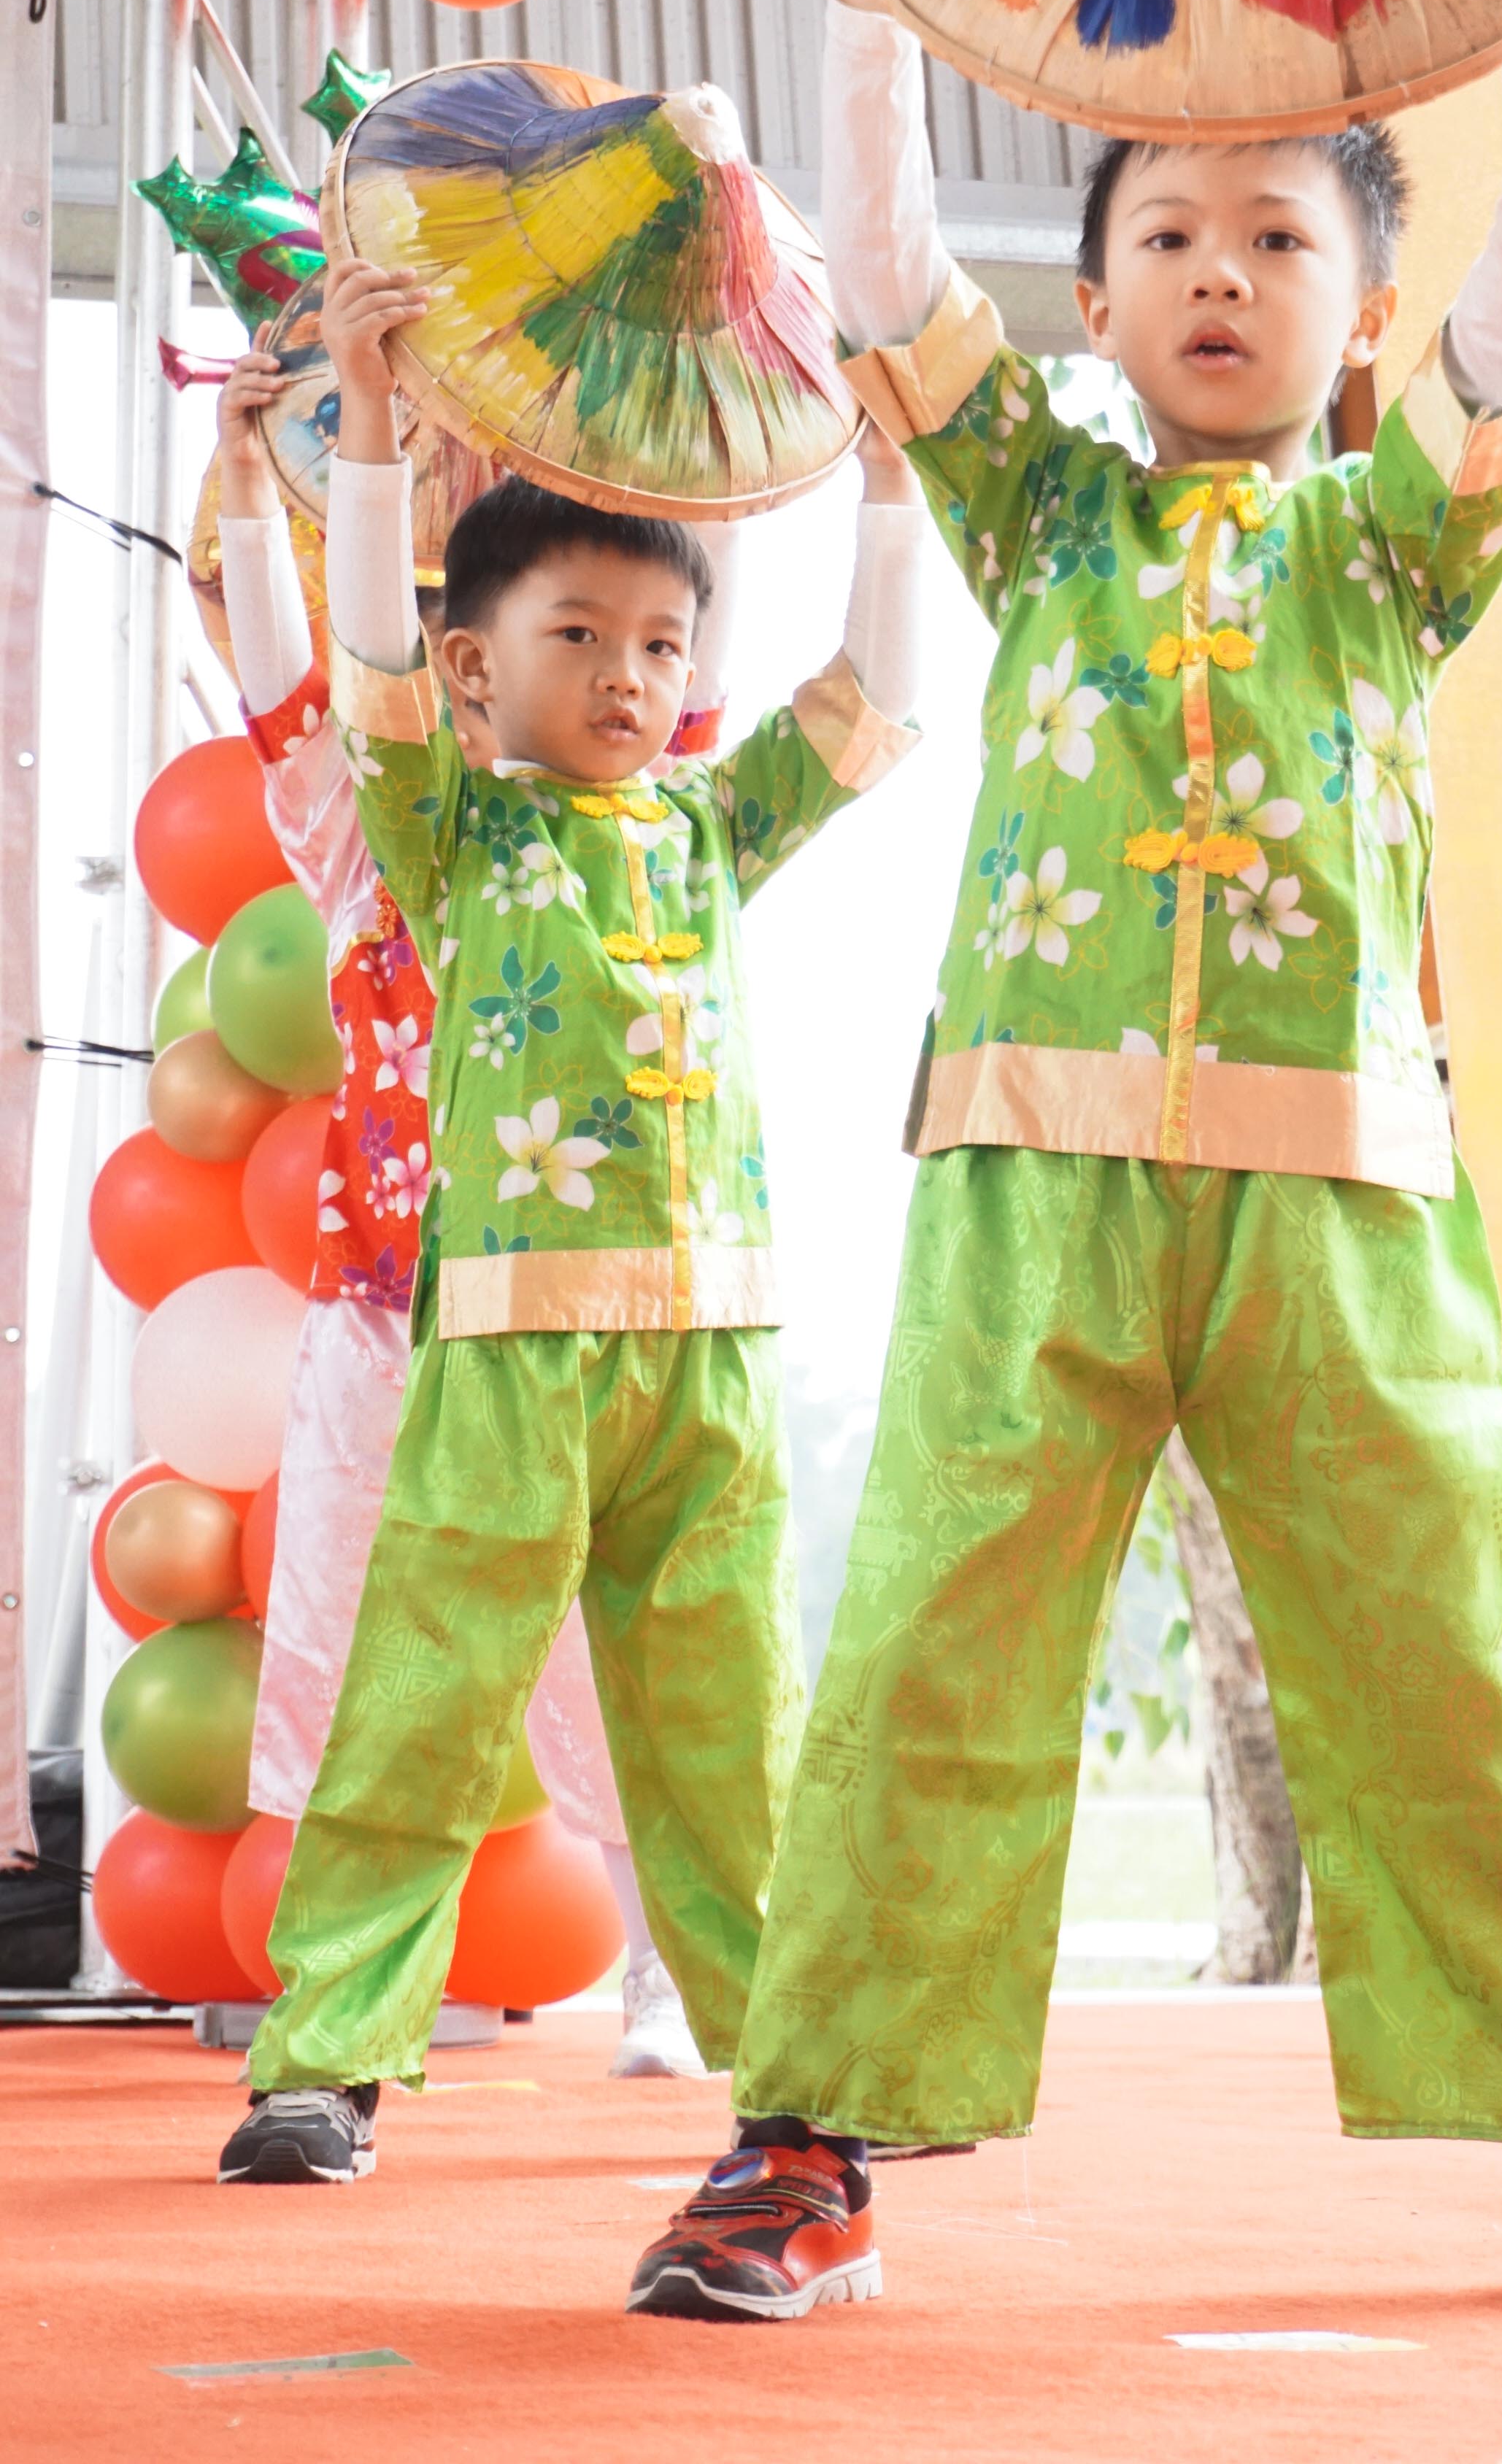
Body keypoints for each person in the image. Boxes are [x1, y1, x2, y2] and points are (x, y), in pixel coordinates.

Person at [625, 0, 1502, 2322]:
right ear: (1100, 307)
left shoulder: (1401, 537)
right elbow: (884, 273)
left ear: (1361, 316)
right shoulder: (1038, 515)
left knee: (1443, 1651)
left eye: (1279, 234)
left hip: (1340, 1190)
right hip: (1024, 1182)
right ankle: (804, 2146)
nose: (1221, 268)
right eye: (1165, 233)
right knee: (932, 1636)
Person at [216, 228, 926, 2185]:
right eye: (580, 636)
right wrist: (369, 426)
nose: (629, 675)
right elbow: (362, 669)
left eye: (662, 647)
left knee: (732, 1720)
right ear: (475, 666)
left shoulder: (713, 824)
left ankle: (799, 2055)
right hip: (505, 1345)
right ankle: (327, 2059)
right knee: (423, 1699)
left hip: (709, 1352)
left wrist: (887, 479)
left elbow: (875, 696)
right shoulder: (445, 829)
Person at [211, 348, 729, 2084]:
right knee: (338, 1644)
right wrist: (256, 484)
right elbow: (295, 681)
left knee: (606, 1654)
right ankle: (333, 2001)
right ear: (458, 666)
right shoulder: (366, 839)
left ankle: (669, 1969)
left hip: (564, 1311)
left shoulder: (626, 839)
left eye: (627, 648)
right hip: (385, 1309)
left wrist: (698, 433)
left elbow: (688, 625)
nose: (611, 671)